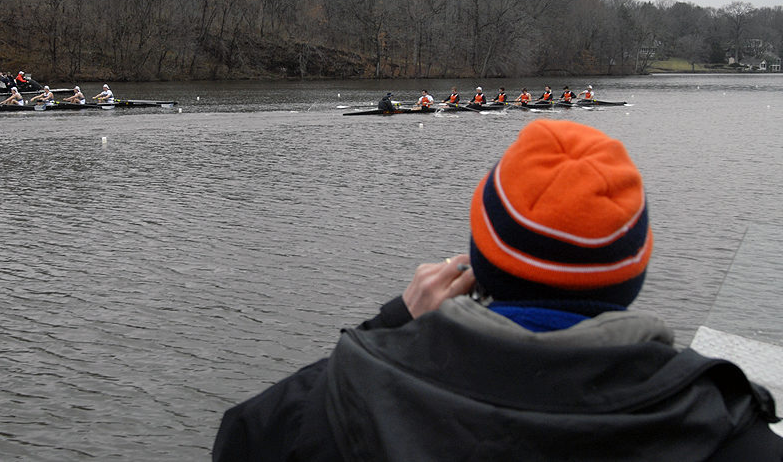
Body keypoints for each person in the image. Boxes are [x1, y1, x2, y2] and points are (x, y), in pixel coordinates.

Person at [213, 120, 783, 461]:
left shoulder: (343, 400)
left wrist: (392, 323)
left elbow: (241, 441)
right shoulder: (734, 435)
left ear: (479, 254)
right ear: (633, 268)